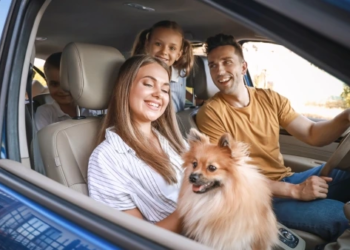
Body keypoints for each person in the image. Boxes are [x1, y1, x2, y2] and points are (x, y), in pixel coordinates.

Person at [196, 34, 350, 243]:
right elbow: (229, 177)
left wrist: (345, 118)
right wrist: (295, 191)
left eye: (226, 62)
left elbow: (312, 134)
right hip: (256, 198)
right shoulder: (211, 113)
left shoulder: (270, 98)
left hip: (285, 180)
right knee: (343, 216)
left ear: (243, 67)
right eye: (213, 65)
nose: (219, 71)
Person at [88, 55, 186, 233]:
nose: (158, 94)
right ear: (125, 88)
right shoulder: (107, 158)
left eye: (165, 90)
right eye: (148, 84)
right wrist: (194, 204)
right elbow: (135, 238)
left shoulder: (175, 142)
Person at [131, 20, 203, 112]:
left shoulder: (181, 73)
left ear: (178, 54)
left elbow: (184, 97)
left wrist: (197, 102)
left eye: (172, 48)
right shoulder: (136, 73)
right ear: (147, 45)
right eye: (158, 44)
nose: (164, 52)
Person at [35, 52, 101, 131]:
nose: (62, 90)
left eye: (68, 83)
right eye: (55, 84)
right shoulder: (45, 113)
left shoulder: (94, 109)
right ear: (47, 83)